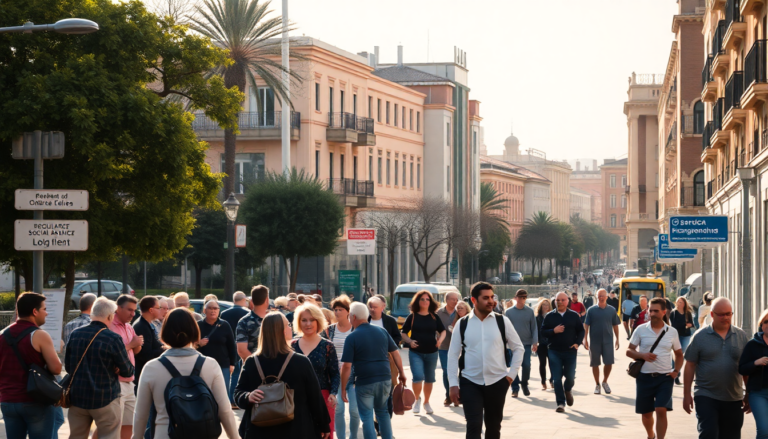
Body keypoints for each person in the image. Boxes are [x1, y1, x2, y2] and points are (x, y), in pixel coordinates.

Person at [133, 308, 238, 439]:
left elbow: (141, 414)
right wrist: (235, 437)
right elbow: (224, 410)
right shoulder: (210, 365)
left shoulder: (152, 367)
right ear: (195, 331)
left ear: (164, 332)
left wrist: (136, 436)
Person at [446, 282, 524, 439]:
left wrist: (510, 376)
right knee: (473, 426)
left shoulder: (502, 321)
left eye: (492, 297)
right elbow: (453, 355)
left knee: (493, 428)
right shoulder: (463, 324)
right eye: (486, 298)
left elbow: (518, 348)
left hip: (497, 382)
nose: (491, 301)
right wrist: (453, 384)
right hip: (470, 382)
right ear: (474, 301)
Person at [236, 312, 331, 438]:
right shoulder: (300, 361)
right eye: (288, 325)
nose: (290, 327)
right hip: (296, 429)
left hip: (261, 430)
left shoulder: (252, 362)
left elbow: (238, 393)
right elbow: (315, 397)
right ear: (281, 331)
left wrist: (248, 396)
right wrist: (323, 424)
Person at [65, 297, 134, 439]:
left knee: (76, 436)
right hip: (105, 397)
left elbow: (68, 367)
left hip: (78, 398)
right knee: (109, 435)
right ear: (110, 316)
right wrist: (116, 367)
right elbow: (127, 371)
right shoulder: (113, 338)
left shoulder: (75, 334)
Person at [683, 297, 749, 439]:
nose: (725, 317)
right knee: (709, 433)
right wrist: (686, 393)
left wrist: (749, 393)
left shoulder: (741, 336)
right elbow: (690, 364)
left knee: (731, 436)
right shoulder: (700, 336)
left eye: (728, 314)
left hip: (733, 397)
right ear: (712, 314)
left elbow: (746, 367)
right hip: (706, 394)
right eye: (721, 314)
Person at [0, 293, 62, 439]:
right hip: (34, 401)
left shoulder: (2, 335)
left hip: (8, 401)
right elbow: (56, 368)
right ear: (35, 311)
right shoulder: (39, 335)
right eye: (44, 309)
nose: (46, 313)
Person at [341, 303, 407, 439]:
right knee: (383, 413)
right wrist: (402, 373)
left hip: (365, 381)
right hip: (384, 379)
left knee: (366, 417)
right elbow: (395, 354)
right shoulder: (381, 331)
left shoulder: (352, 337)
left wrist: (343, 388)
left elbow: (347, 366)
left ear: (353, 317)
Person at [627, 297, 683, 439]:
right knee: (646, 414)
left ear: (664, 312)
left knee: (660, 409)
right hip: (644, 377)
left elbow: (679, 354)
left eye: (656, 311)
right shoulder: (640, 329)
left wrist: (676, 371)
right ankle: (650, 435)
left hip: (664, 378)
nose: (652, 314)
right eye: (650, 310)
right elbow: (629, 351)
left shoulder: (672, 332)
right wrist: (642, 355)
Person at [291, 303, 340, 438]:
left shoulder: (327, 346)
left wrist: (333, 393)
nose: (308, 324)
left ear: (318, 321)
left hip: (323, 398)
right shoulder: (291, 346)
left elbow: (335, 373)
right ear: (298, 322)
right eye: (304, 320)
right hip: (296, 400)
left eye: (312, 320)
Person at [400, 290, 446, 415]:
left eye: (427, 299)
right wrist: (409, 341)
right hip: (416, 352)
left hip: (432, 352)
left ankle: (426, 402)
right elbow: (403, 332)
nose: (425, 301)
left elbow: (443, 331)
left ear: (430, 302)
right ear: (417, 301)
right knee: (418, 377)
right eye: (422, 299)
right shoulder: (412, 316)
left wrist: (440, 340)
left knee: (430, 378)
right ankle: (417, 400)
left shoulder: (434, 316)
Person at [541, 292, 585, 412]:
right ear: (554, 301)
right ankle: (560, 403)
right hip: (554, 351)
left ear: (567, 301)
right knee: (557, 378)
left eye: (562, 300)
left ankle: (568, 389)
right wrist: (553, 331)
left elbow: (581, 331)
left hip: (570, 351)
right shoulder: (549, 316)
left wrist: (577, 343)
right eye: (557, 300)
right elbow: (543, 332)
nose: (560, 302)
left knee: (570, 376)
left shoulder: (574, 315)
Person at [110, 295, 144, 439]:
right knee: (111, 426)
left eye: (135, 310)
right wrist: (131, 344)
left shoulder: (129, 326)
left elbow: (136, 351)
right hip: (115, 382)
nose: (133, 314)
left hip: (129, 381)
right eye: (130, 310)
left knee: (129, 424)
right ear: (118, 308)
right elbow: (111, 354)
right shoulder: (110, 325)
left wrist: (136, 344)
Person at [196, 299, 237, 406]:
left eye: (215, 308)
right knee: (205, 392)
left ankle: (223, 416)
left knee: (222, 394)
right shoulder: (198, 325)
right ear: (204, 310)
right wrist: (198, 343)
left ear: (219, 311)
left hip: (222, 364)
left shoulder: (224, 325)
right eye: (210, 308)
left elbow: (232, 345)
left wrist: (232, 363)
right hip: (203, 365)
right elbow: (190, 345)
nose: (213, 311)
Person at [329, 296, 359, 439]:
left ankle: (353, 436)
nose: (337, 312)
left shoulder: (355, 330)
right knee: (338, 409)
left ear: (348, 311)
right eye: (335, 310)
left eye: (341, 309)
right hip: (336, 374)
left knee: (354, 410)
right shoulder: (330, 330)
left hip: (354, 376)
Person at [583, 289, 620, 395]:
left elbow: (615, 325)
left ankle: (604, 381)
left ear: (607, 297)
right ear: (596, 297)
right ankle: (597, 384)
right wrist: (585, 339)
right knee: (595, 363)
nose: (601, 298)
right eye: (599, 296)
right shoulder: (591, 310)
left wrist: (617, 339)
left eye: (603, 296)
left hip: (608, 341)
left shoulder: (612, 310)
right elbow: (586, 325)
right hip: (595, 341)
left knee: (608, 362)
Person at [739, 308, 768, 439]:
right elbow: (742, 369)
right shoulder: (752, 344)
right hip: (758, 393)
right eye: (766, 321)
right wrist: (755, 363)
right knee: (764, 430)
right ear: (761, 324)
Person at [504, 289, 537, 398]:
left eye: (524, 297)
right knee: (514, 366)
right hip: (512, 344)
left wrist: (535, 342)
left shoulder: (530, 311)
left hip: (526, 343)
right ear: (515, 298)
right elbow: (505, 329)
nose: (522, 299)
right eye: (520, 297)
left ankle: (524, 383)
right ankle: (515, 388)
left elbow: (534, 327)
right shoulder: (508, 312)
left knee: (526, 365)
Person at [220, 290, 249, 406]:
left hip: (227, 346)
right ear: (243, 300)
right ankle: (233, 400)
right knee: (238, 373)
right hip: (243, 345)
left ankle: (228, 399)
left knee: (229, 375)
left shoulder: (225, 313)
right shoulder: (247, 313)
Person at [436, 291, 460, 406]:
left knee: (458, 372)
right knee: (446, 371)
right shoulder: (439, 313)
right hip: (444, 347)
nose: (455, 301)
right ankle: (448, 395)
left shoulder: (459, 311)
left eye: (456, 299)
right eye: (452, 299)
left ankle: (458, 396)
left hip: (459, 347)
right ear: (446, 300)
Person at [236, 285, 269, 360]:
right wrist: (258, 364)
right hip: (254, 368)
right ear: (267, 300)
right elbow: (242, 351)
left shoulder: (243, 321)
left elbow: (242, 350)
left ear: (252, 301)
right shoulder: (275, 320)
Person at [669, 297, 694, 385]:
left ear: (684, 304)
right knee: (676, 354)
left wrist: (689, 324)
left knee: (681, 353)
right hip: (676, 336)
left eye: (681, 302)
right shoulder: (673, 313)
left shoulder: (688, 313)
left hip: (686, 335)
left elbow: (692, 324)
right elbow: (671, 325)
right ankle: (675, 373)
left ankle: (676, 371)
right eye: (678, 302)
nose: (679, 303)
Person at [535, 298, 553, 390]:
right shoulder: (537, 318)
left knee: (552, 363)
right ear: (540, 306)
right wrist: (535, 342)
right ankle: (543, 381)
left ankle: (552, 380)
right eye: (544, 304)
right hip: (541, 344)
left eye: (547, 304)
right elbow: (535, 331)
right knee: (542, 363)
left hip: (551, 344)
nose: (546, 306)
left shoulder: (552, 316)